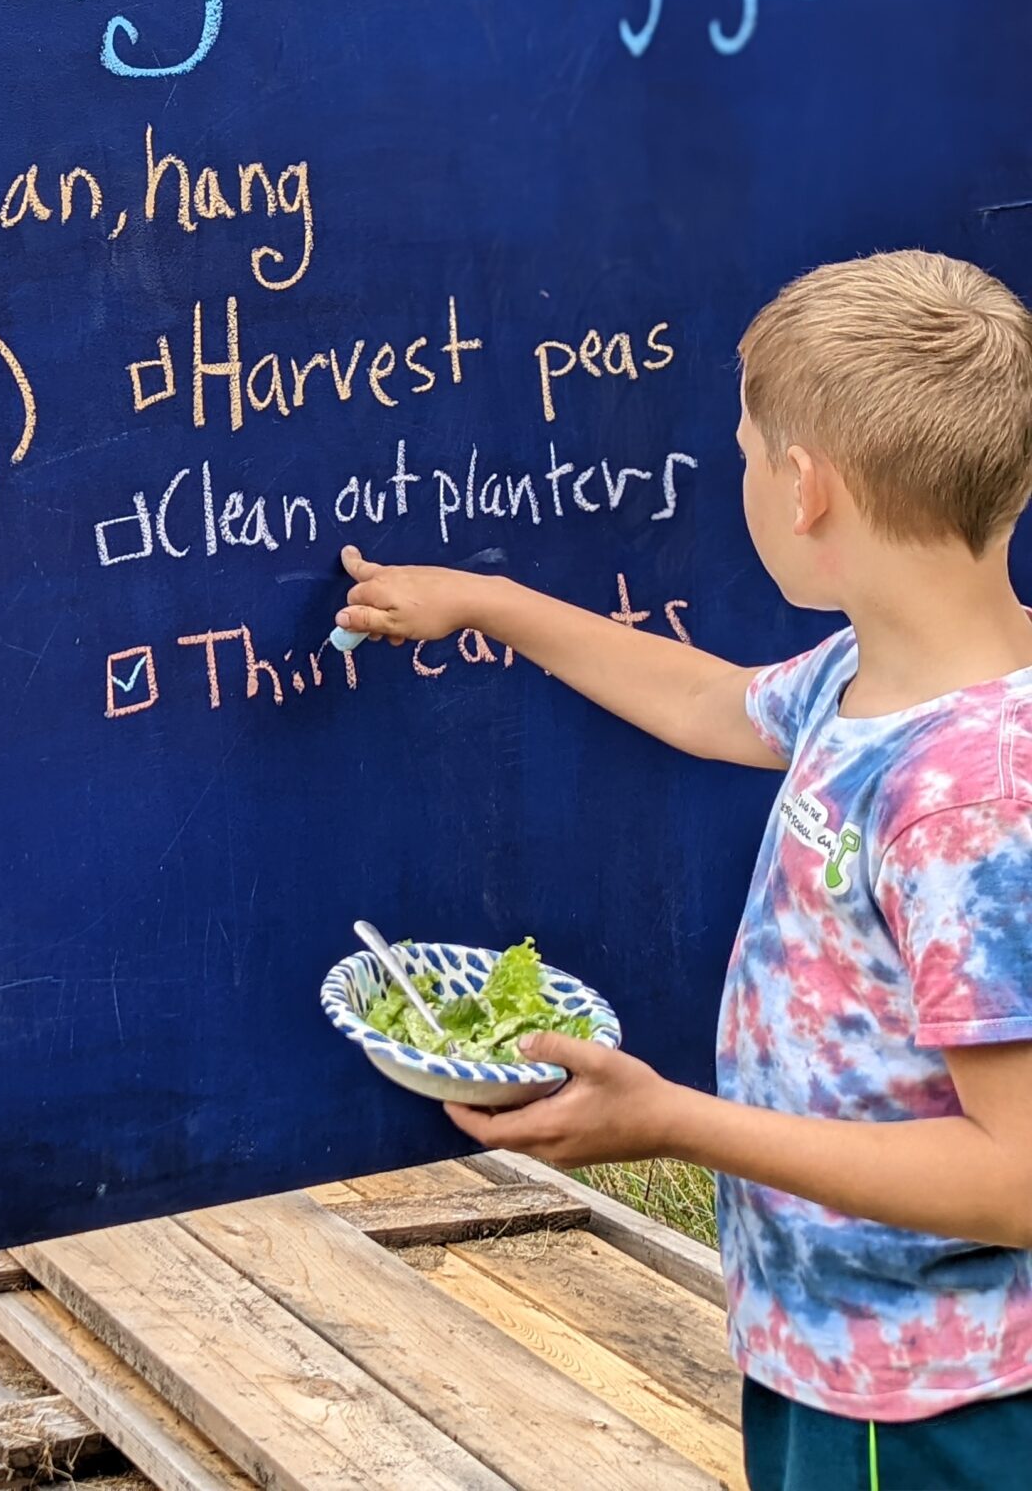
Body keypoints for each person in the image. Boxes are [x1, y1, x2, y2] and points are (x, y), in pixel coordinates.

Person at [337, 250, 1032, 1489]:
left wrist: (669, 1122)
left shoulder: (966, 798)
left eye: (747, 454)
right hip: (840, 1343)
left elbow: (1017, 1175)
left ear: (803, 486)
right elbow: (713, 704)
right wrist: (486, 600)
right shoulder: (876, 678)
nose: (744, 479)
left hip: (923, 1390)